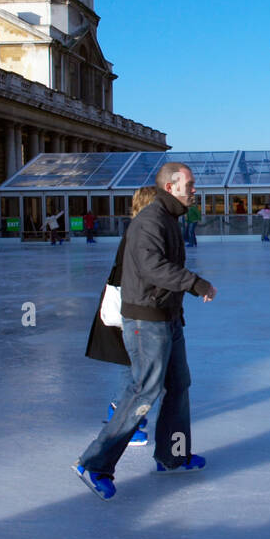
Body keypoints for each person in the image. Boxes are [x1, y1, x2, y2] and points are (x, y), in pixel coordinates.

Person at [74, 162, 217, 499]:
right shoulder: (150, 220)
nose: (194, 189)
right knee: (144, 390)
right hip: (147, 319)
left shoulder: (168, 218)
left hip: (168, 315)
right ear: (171, 186)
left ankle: (173, 455)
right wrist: (195, 283)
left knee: (178, 384)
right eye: (190, 184)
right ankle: (95, 463)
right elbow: (153, 267)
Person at [88, 187, 159, 448]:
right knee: (133, 364)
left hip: (132, 305)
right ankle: (121, 416)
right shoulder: (139, 232)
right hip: (130, 307)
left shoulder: (139, 230)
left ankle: (126, 416)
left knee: (133, 363)